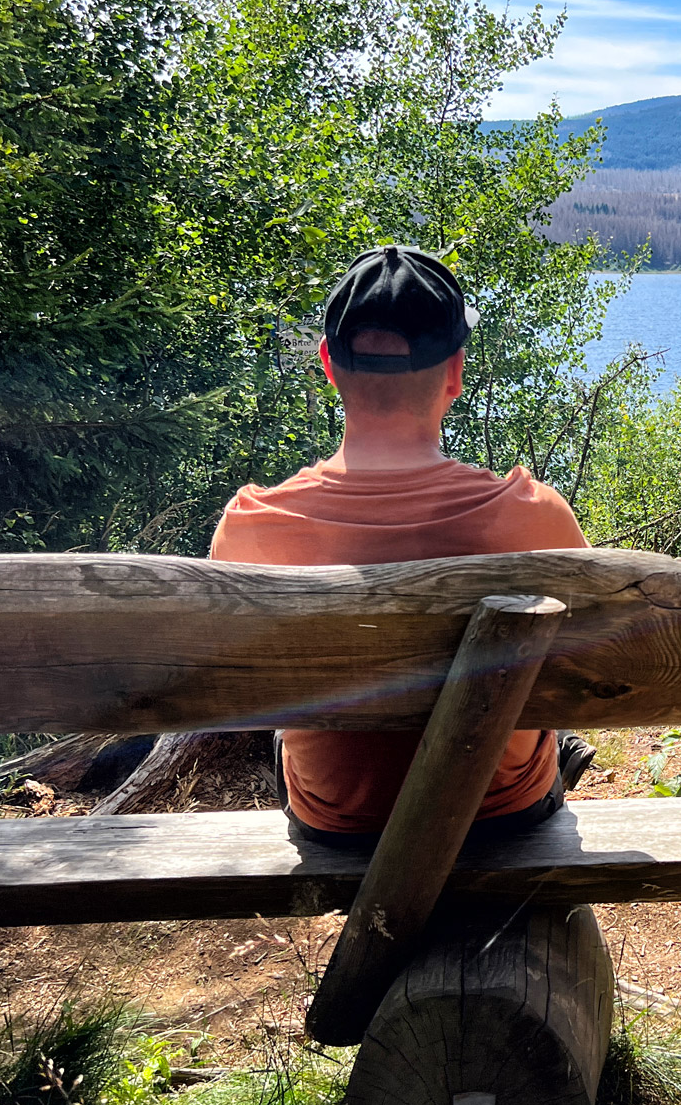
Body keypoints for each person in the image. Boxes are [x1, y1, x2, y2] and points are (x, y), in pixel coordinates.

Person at [210, 244, 594, 850]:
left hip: (339, 824)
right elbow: (590, 667)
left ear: (329, 365)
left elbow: (230, 693)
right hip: (501, 814)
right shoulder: (533, 516)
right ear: (455, 373)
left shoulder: (254, 526)